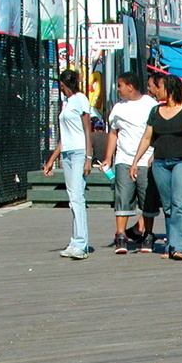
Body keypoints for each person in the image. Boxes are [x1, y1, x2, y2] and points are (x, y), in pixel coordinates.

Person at [130, 74, 182, 261]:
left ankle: (180, 247)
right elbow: (147, 137)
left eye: (159, 87)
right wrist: (136, 161)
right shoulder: (155, 111)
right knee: (168, 206)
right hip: (160, 163)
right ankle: (171, 244)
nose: (156, 91)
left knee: (179, 203)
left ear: (169, 89)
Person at [104, 72, 160, 254]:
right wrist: (108, 157)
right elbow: (114, 133)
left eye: (119, 85)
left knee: (147, 198)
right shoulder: (118, 108)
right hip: (124, 159)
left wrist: (155, 154)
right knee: (123, 196)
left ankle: (147, 234)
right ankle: (120, 235)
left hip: (146, 159)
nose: (117, 89)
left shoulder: (151, 105)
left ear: (130, 86)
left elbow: (156, 132)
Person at [43, 69, 94, 260]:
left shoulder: (80, 99)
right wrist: (51, 160)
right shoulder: (67, 103)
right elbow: (64, 137)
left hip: (80, 152)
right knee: (72, 197)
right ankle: (75, 241)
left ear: (64, 84)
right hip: (67, 152)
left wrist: (89, 157)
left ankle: (81, 243)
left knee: (78, 196)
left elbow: (87, 130)